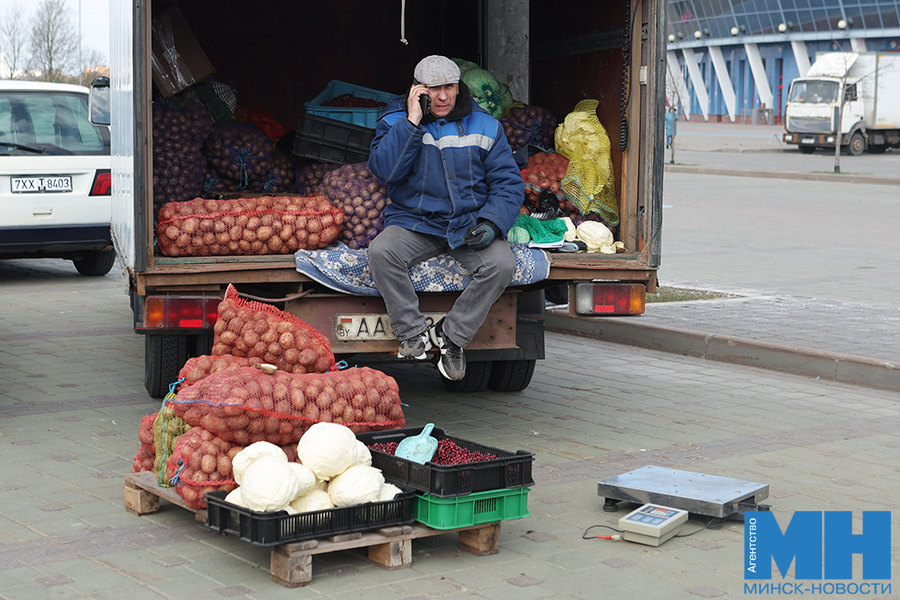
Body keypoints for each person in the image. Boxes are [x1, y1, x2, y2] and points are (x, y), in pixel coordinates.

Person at [367, 55, 524, 381]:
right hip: (415, 223)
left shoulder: (485, 125)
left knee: (502, 264)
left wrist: (492, 223)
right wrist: (411, 122)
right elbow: (386, 171)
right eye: (433, 89)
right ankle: (413, 335)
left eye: (449, 88)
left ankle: (451, 338)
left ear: (458, 87)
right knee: (382, 251)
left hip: (468, 225)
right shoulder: (396, 119)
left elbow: (507, 183)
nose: (442, 97)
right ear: (417, 90)